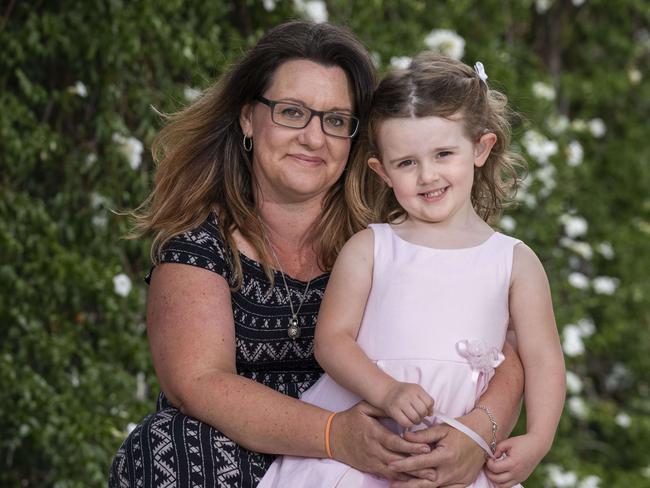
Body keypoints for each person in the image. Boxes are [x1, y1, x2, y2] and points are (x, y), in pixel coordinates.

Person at [109, 22, 525, 488]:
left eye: (335, 120)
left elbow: (501, 350)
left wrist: (476, 434)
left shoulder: (396, 236)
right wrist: (334, 435)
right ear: (249, 117)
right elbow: (198, 382)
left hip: (385, 452)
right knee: (162, 445)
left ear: (355, 138)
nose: (313, 138)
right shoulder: (198, 246)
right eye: (291, 112)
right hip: (234, 454)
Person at [257, 53, 566, 488]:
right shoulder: (371, 247)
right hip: (363, 448)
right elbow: (332, 340)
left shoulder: (513, 261)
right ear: (382, 172)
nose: (427, 175)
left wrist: (538, 438)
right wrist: (386, 391)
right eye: (406, 163)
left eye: (443, 153)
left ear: (481, 148)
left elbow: (543, 359)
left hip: (458, 455)